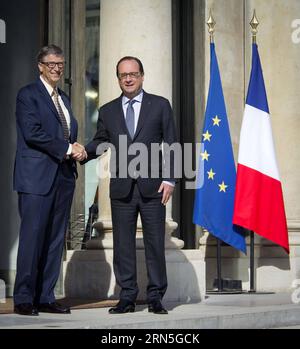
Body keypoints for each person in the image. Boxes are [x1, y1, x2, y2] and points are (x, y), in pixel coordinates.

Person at [81, 56, 177, 314]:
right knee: (122, 244)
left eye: (133, 73)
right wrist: (81, 152)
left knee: (155, 243)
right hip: (122, 188)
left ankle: (156, 296)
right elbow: (100, 142)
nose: (129, 78)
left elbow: (171, 143)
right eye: (123, 75)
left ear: (142, 76)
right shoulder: (107, 111)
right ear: (118, 79)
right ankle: (127, 297)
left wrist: (170, 179)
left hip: (153, 187)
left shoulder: (160, 105)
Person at [13, 45, 86, 316]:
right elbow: (32, 133)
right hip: (36, 179)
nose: (57, 68)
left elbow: (63, 134)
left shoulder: (64, 98)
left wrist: (75, 147)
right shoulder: (28, 95)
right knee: (32, 238)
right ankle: (23, 298)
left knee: (55, 241)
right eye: (51, 63)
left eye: (61, 64)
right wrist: (68, 148)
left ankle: (45, 296)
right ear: (40, 66)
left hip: (64, 177)